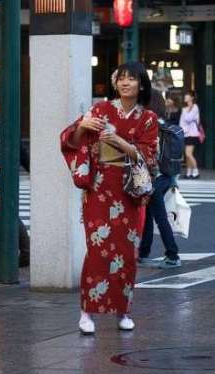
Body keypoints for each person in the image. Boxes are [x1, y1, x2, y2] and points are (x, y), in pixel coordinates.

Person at [60, 62, 159, 335]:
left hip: (128, 191)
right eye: (122, 79)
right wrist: (82, 126)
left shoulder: (148, 117)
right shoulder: (101, 110)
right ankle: (86, 311)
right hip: (99, 188)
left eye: (132, 79)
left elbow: (149, 156)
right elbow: (72, 141)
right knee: (97, 251)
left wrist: (119, 141)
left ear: (141, 85)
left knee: (126, 252)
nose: (126, 84)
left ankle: (123, 310)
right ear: (116, 83)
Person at [0, 88, 30, 266]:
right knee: (8, 210)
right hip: (2, 173)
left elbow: (18, 148)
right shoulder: (6, 120)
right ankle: (24, 252)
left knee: (7, 211)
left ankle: (24, 252)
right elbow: (21, 150)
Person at [138, 89, 182, 269]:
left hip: (155, 176)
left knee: (160, 217)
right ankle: (143, 252)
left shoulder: (151, 125)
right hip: (167, 175)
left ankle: (172, 254)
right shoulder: (166, 124)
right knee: (149, 213)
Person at [179, 91, 201, 179]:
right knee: (187, 154)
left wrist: (186, 110)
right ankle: (189, 172)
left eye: (187, 96)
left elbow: (188, 119)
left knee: (188, 154)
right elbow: (182, 122)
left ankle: (196, 171)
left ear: (191, 98)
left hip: (192, 133)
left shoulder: (195, 107)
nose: (185, 97)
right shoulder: (185, 108)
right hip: (185, 133)